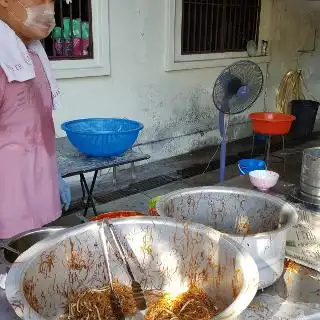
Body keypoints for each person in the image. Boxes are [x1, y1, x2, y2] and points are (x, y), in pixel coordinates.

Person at [0, 0, 69, 239]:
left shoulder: (35, 54)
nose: (48, 7)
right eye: (39, 0)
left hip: (43, 196)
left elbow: (39, 119)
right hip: (8, 212)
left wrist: (55, 174)